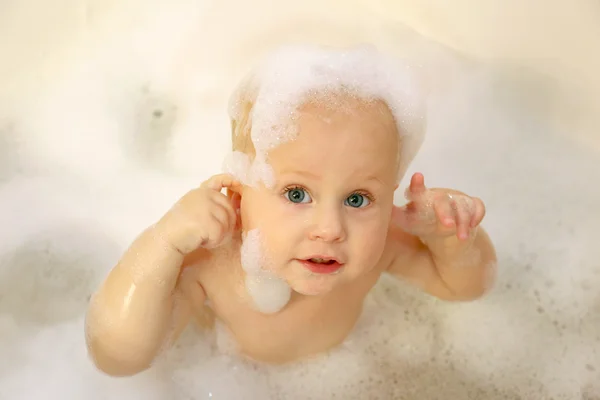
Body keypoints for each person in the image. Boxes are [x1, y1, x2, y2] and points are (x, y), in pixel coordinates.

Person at [84, 44, 497, 377]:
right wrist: (162, 241)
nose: (330, 228)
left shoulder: (382, 243)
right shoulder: (211, 264)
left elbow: (465, 287)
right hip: (226, 378)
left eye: (357, 199)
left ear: (391, 195)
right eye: (297, 194)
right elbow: (118, 357)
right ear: (238, 191)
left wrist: (450, 239)